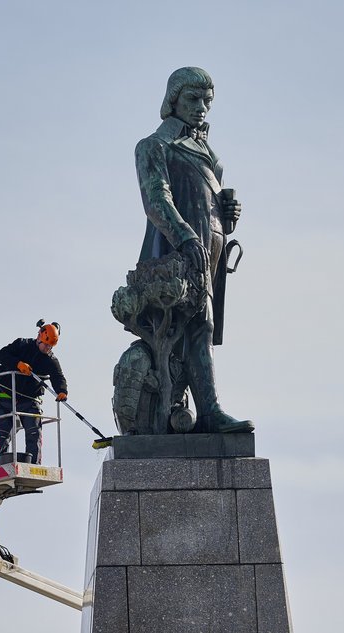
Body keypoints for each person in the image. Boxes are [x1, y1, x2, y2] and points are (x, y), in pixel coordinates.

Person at [134, 66, 253, 433]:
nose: (202, 107)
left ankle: (202, 411)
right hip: (179, 252)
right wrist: (185, 237)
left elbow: (206, 206)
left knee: (203, 327)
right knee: (189, 327)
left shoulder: (209, 153)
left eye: (207, 101)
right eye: (193, 99)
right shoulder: (155, 146)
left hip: (212, 250)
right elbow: (157, 200)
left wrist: (227, 215)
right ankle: (197, 411)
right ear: (173, 101)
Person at [0, 319, 68, 465]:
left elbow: (58, 377)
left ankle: (33, 466)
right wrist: (17, 364)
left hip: (30, 400)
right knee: (1, 436)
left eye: (50, 346)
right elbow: (0, 355)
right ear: (39, 337)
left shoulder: (50, 360)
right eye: (46, 345)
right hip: (6, 396)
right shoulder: (22, 345)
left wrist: (62, 391)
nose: (47, 349)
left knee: (34, 433)